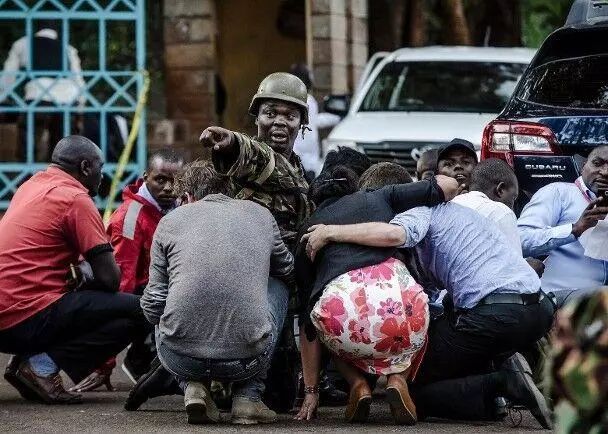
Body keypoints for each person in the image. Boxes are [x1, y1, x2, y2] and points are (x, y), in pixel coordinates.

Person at [128, 72, 315, 412]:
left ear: (303, 122)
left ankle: (193, 379)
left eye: (290, 115)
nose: (279, 122)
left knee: (284, 397)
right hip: (249, 277)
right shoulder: (247, 161)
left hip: (277, 285)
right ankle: (213, 384)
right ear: (256, 118)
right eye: (270, 112)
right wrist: (230, 141)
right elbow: (255, 156)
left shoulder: (298, 169)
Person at [302, 197, 555, 429]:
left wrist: (330, 232)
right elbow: (432, 301)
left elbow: (393, 235)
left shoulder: (417, 212)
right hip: (539, 310)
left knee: (408, 388)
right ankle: (497, 380)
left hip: (494, 314)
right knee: (448, 336)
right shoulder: (461, 216)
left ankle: (503, 382)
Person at [295, 162, 459, 424]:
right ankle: (398, 379)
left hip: (346, 312)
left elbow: (308, 324)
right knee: (416, 310)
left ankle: (357, 384)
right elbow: (450, 186)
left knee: (328, 319)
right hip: (401, 303)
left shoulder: (309, 230)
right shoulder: (381, 195)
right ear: (355, 188)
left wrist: (311, 392)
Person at [140, 161, 293, 425]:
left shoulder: (169, 222)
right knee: (279, 286)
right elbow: (288, 268)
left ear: (187, 197)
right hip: (247, 360)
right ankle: (249, 397)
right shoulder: (260, 214)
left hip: (180, 359)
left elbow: (153, 304)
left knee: (163, 301)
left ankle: (192, 388)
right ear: (231, 191)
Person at [0, 135, 149, 404]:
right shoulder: (75, 199)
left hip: (7, 315)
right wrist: (84, 272)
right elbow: (110, 279)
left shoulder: (30, 186)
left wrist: (79, 270)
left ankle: (27, 361)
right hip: (23, 317)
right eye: (100, 168)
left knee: (75, 297)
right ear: (85, 168)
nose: (102, 176)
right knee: (143, 310)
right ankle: (40, 368)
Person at [71, 148, 184, 392]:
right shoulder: (130, 220)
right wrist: (104, 363)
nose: (168, 188)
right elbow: (122, 284)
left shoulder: (184, 206)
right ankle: (140, 359)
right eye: (160, 179)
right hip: (143, 294)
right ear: (146, 177)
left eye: (176, 181)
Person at [518, 145, 608, 308]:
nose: (605, 172)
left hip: (598, 307)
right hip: (555, 299)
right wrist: (575, 229)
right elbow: (520, 239)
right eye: (598, 163)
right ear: (583, 166)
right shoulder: (558, 193)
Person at [1, 21, 85, 160]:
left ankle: (27, 176)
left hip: (38, 98)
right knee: (61, 151)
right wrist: (80, 109)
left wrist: (3, 97)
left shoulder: (24, 43)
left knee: (28, 144)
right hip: (67, 101)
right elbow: (78, 81)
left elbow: (8, 77)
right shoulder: (68, 48)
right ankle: (57, 179)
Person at [290, 63, 340, 178]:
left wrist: (336, 119)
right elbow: (314, 121)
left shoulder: (297, 99)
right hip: (307, 156)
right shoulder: (308, 100)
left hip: (300, 154)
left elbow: (313, 120)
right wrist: (338, 118)